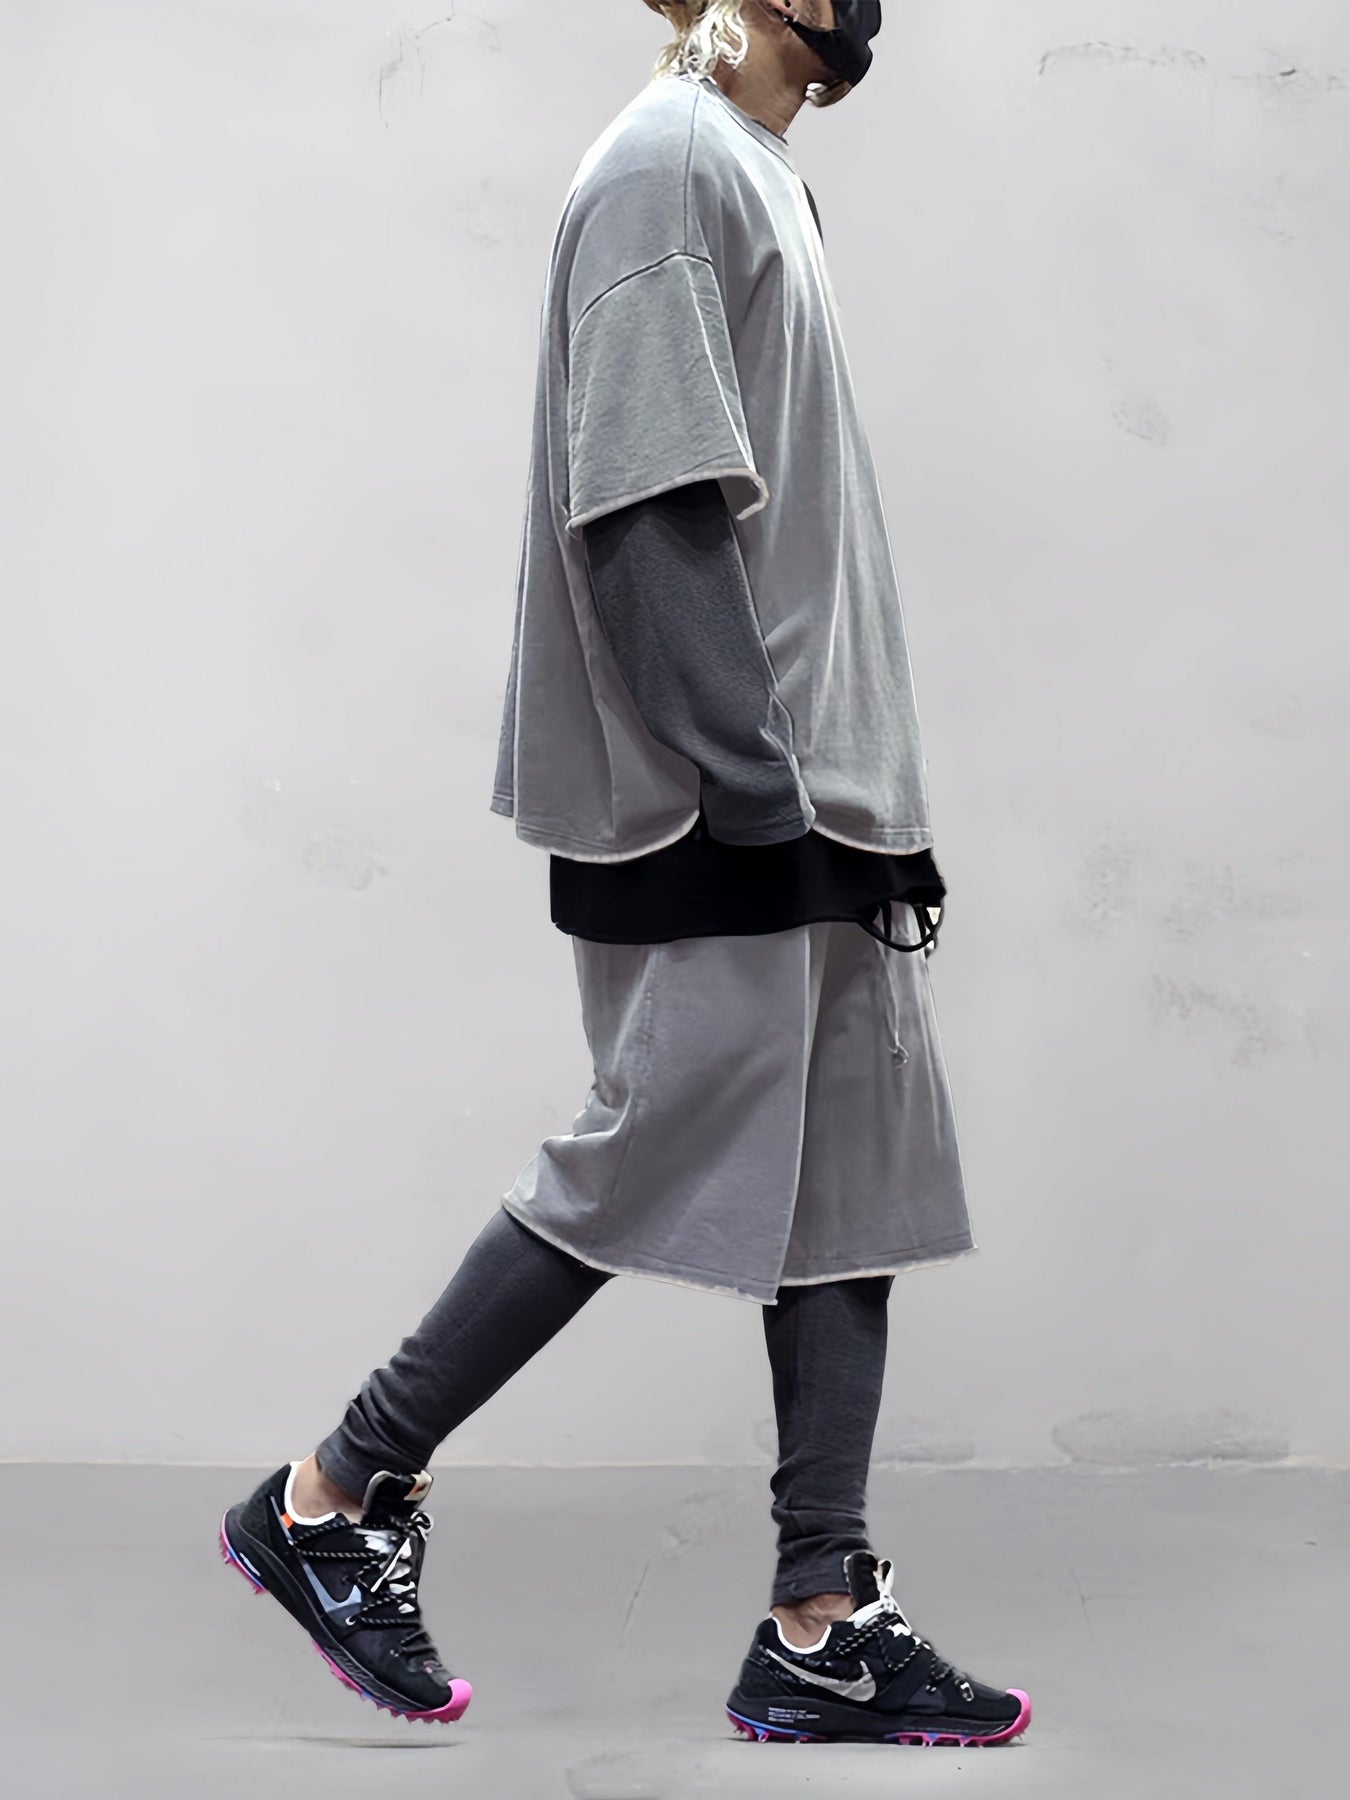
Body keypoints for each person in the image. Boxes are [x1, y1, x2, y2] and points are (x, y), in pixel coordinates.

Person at [219, 0, 1032, 1749]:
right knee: (642, 1152)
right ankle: (331, 1494)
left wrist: (861, 799)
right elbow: (648, 508)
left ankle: (820, 1620)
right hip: (726, 804)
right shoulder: (665, 165)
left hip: (823, 787)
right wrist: (755, 785)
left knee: (849, 1189)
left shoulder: (746, 167)